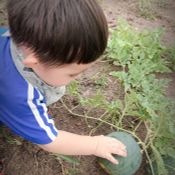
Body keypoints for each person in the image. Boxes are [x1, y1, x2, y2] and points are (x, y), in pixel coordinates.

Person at [0, 0, 127, 166]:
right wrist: (95, 144)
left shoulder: (13, 36)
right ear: (34, 62)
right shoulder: (22, 95)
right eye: (73, 73)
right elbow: (50, 140)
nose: (78, 77)